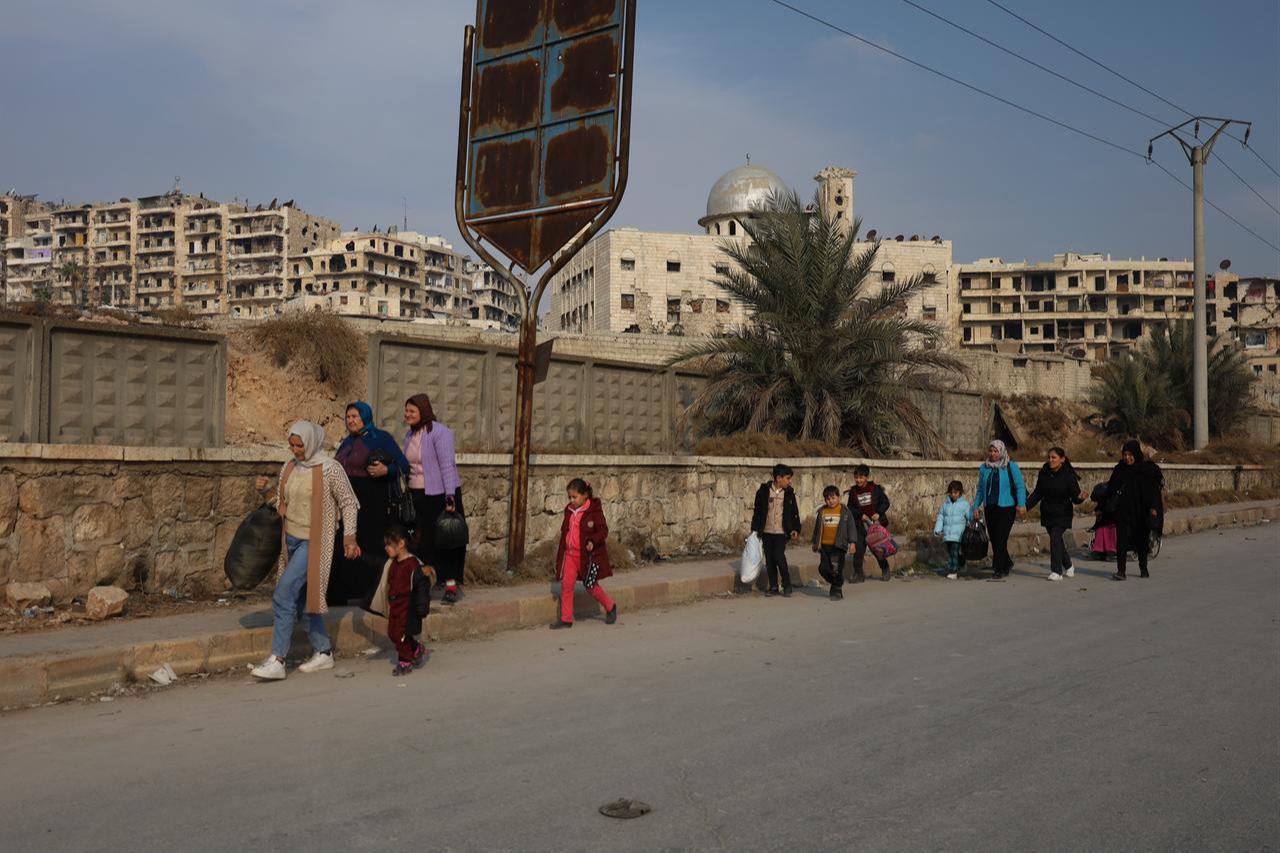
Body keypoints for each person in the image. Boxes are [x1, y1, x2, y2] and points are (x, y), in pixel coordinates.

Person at [251, 421, 360, 681]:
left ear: (311, 443)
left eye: (299, 445)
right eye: (292, 445)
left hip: (313, 543)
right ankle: (323, 651)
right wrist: (266, 491)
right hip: (290, 542)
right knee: (302, 599)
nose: (295, 450)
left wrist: (349, 538)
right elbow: (282, 503)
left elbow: (348, 502)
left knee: (283, 594)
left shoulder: (330, 469)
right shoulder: (289, 467)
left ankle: (278, 659)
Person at [330, 401, 409, 606]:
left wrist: (386, 470)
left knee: (369, 545)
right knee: (345, 542)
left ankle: (370, 593)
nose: (350, 421)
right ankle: (341, 593)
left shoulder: (380, 438)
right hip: (347, 503)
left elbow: (403, 465)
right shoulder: (347, 442)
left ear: (365, 417)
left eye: (355, 416)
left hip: (372, 501)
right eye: (348, 417)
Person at [402, 393, 466, 605]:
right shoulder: (409, 435)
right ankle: (425, 585)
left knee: (445, 542)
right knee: (421, 543)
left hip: (440, 495)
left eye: (412, 411)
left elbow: (447, 465)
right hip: (417, 496)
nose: (407, 414)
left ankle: (451, 586)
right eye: (406, 411)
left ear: (423, 411)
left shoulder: (440, 433)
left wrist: (450, 497)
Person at [551, 478, 617, 629]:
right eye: (569, 497)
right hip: (570, 555)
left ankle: (610, 606)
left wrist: (592, 541)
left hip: (587, 557)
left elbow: (603, 531)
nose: (571, 500)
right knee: (567, 586)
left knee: (591, 586)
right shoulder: (569, 510)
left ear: (585, 495)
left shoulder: (594, 511)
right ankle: (566, 619)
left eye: (574, 497)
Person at [1105, 439, 1164, 581]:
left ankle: (1143, 568)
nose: (1127, 458)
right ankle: (1121, 571)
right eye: (1125, 455)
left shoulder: (1145, 470)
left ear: (1136, 454)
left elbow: (1154, 491)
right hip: (1123, 511)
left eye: (1130, 455)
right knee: (1121, 541)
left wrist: (1154, 508)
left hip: (1141, 511)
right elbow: (1110, 489)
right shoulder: (1119, 469)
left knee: (1141, 540)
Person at [1026, 447, 1086, 581]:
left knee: (1055, 537)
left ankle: (1056, 571)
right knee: (1057, 540)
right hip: (1048, 512)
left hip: (1063, 513)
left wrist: (1080, 497)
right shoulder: (1044, 473)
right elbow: (1037, 493)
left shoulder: (1069, 476)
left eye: (1054, 457)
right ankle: (1069, 565)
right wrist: (1026, 506)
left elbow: (1075, 497)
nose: (1050, 460)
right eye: (1049, 457)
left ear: (1062, 459)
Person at [972, 440, 1027, 579]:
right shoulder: (984, 468)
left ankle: (1000, 569)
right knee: (994, 538)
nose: (993, 454)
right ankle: (1007, 562)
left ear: (1001, 451)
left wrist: (1021, 504)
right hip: (990, 508)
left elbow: (1020, 486)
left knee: (1001, 538)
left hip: (1007, 508)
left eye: (996, 451)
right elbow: (980, 489)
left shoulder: (1011, 466)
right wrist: (975, 506)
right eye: (991, 451)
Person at [381, 525, 428, 676]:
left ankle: (405, 661)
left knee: (401, 635)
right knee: (392, 633)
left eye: (389, 544)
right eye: (386, 545)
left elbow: (421, 586)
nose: (386, 548)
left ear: (401, 543)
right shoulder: (393, 563)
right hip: (395, 606)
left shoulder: (412, 564)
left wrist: (422, 607)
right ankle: (415, 648)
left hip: (407, 607)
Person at [750, 463, 801, 596]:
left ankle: (787, 584)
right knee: (770, 560)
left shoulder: (789, 494)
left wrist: (795, 529)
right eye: (788, 478)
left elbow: (794, 513)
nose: (790, 481)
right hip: (766, 532)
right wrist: (754, 530)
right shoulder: (763, 492)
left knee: (779, 557)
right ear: (778, 478)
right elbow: (757, 512)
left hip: (781, 532)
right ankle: (773, 586)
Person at [847, 464, 892, 582]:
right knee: (858, 551)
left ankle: (885, 569)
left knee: (877, 550)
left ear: (866, 477)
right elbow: (850, 508)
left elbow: (885, 503)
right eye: (856, 477)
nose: (858, 480)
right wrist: (860, 515)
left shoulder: (875, 489)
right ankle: (858, 574)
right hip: (860, 525)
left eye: (861, 477)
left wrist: (878, 513)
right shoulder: (853, 492)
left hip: (875, 525)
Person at [811, 485, 856, 600]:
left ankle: (837, 591)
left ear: (838, 498)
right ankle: (837, 582)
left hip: (838, 546)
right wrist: (815, 543)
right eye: (828, 499)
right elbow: (817, 529)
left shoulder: (845, 512)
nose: (830, 501)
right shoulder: (822, 511)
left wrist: (852, 543)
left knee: (836, 569)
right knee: (823, 568)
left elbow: (851, 528)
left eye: (833, 498)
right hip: (825, 546)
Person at [934, 480, 971, 580]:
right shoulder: (945, 505)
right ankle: (961, 563)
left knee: (954, 553)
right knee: (951, 552)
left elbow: (969, 517)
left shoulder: (964, 505)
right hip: (948, 534)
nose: (953, 494)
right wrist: (938, 529)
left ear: (960, 492)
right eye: (951, 492)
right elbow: (941, 517)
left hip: (958, 535)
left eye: (955, 492)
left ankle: (953, 571)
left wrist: (975, 520)